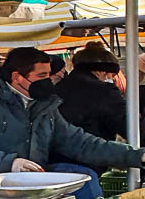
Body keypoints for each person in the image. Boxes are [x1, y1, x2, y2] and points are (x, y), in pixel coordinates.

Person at [0, 47, 145, 199]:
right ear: (17, 77)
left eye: (49, 75)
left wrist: (137, 156)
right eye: (41, 76)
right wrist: (10, 163)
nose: (48, 81)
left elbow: (81, 143)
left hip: (34, 196)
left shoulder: (45, 108)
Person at [53, 43, 126, 179]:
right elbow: (126, 125)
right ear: (100, 72)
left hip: (50, 164)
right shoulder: (105, 91)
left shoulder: (56, 89)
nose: (112, 79)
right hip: (86, 164)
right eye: (111, 75)